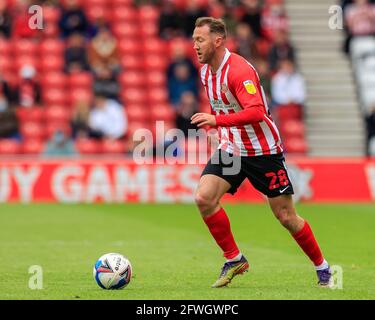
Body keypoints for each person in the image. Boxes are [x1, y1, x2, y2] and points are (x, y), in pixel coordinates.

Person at [190, 17, 331, 288]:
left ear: (217, 41)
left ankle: (322, 267)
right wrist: (220, 130)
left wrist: (216, 121)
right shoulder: (205, 71)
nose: (195, 45)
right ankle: (234, 259)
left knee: (286, 216)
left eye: (200, 40)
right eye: (194, 40)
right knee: (204, 198)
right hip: (231, 148)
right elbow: (225, 108)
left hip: (263, 151)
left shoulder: (239, 70)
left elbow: (255, 112)